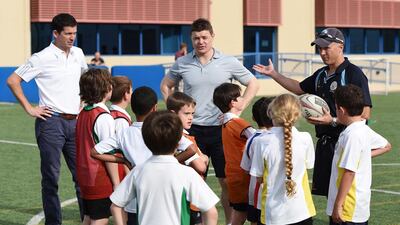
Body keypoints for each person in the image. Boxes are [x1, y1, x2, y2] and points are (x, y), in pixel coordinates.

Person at [160, 18, 260, 224]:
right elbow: (165, 85)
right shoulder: (182, 63)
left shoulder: (229, 61)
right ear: (191, 39)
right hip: (192, 131)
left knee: (226, 182)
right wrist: (173, 110)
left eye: (205, 37)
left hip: (222, 130)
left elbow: (252, 82)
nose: (201, 41)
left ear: (212, 37)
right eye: (196, 38)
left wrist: (241, 105)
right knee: (193, 180)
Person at [253, 27, 372, 196]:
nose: (322, 52)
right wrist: (273, 74)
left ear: (340, 46)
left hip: (345, 142)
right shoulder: (321, 75)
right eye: (320, 48)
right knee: (330, 196)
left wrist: (332, 120)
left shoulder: (353, 74)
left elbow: (365, 114)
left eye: (326, 48)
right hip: (325, 143)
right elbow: (298, 87)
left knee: (345, 195)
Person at [6, 13, 87, 225]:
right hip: (51, 123)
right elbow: (13, 80)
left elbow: (85, 80)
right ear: (55, 34)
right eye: (68, 33)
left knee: (82, 177)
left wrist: (85, 101)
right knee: (51, 179)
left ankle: (88, 220)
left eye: (74, 33)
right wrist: (30, 108)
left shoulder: (78, 54)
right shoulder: (40, 57)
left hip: (76, 122)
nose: (72, 38)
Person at [91, 87, 200, 225]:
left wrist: (123, 160)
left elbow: (94, 152)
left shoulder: (124, 134)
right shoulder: (163, 128)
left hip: (135, 199)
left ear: (132, 106)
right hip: (164, 193)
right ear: (155, 108)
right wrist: (171, 160)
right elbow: (191, 149)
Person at [110, 111, 220, 225]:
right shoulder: (187, 174)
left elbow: (116, 206)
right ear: (178, 143)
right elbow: (211, 212)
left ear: (146, 142)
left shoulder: (138, 171)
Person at [327, 85, 391, 225]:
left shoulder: (353, 135)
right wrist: (362, 157)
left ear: (341, 110)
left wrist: (338, 205)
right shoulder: (362, 128)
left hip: (348, 207)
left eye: (336, 108)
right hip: (354, 206)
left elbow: (349, 172)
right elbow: (386, 146)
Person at [250, 94, 316, 225]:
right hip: (302, 211)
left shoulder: (261, 142)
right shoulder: (305, 138)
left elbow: (259, 178)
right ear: (297, 114)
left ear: (270, 113)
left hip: (273, 214)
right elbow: (309, 165)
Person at [75, 68, 122, 225]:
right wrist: (116, 183)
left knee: (89, 217)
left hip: (84, 174)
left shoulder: (82, 112)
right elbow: (108, 152)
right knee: (100, 219)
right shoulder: (103, 117)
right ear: (106, 89)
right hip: (99, 177)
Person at [213, 83, 256, 225]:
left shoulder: (226, 121)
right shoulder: (237, 122)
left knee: (239, 214)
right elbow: (257, 139)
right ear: (233, 102)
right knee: (246, 214)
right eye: (240, 97)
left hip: (233, 173)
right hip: (243, 175)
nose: (243, 99)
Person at [166, 91, 209, 225]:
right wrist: (205, 157)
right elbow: (201, 166)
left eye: (192, 114)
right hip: (189, 196)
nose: (190, 117)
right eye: (186, 114)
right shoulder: (184, 139)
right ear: (173, 113)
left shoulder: (167, 134)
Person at [240, 97, 274, 225]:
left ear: (254, 118)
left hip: (257, 194)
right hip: (270, 195)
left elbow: (245, 168)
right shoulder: (286, 137)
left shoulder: (253, 139)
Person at [109, 76, 133, 181]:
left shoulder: (112, 113)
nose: (132, 93)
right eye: (131, 90)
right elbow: (123, 151)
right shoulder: (121, 120)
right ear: (125, 94)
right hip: (121, 174)